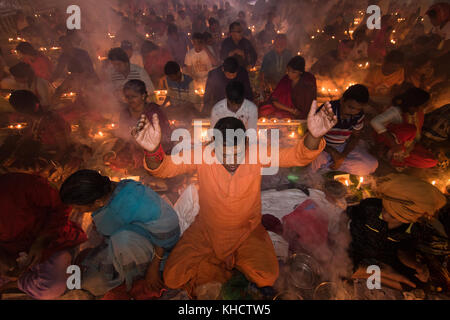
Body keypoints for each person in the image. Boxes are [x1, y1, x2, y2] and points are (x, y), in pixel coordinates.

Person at [132, 99, 338, 298]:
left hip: (246, 231)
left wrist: (313, 135)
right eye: (224, 154)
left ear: (247, 143)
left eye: (237, 153)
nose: (231, 161)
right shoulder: (202, 153)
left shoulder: (257, 152)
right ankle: (226, 264)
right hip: (206, 230)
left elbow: (297, 155)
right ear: (213, 144)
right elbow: (163, 168)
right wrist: (152, 150)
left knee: (267, 276)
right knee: (172, 277)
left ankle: (221, 263)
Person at [59, 170, 180, 297]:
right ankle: (125, 273)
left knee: (121, 241)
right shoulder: (109, 193)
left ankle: (135, 277)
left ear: (98, 202)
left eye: (78, 208)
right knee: (88, 283)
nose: (77, 211)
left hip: (156, 251)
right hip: (126, 245)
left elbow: (167, 232)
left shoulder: (136, 201)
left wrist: (154, 268)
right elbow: (110, 225)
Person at [348, 174, 446, 291]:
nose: (385, 215)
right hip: (359, 251)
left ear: (408, 219)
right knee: (341, 268)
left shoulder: (414, 228)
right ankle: (383, 274)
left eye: (393, 216)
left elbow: (403, 251)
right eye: (384, 209)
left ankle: (374, 274)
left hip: (386, 258)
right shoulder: (370, 207)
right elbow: (351, 236)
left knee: (418, 284)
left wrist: (417, 266)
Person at [0, 172, 87, 300]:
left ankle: (12, 285)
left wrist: (42, 241)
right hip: (10, 254)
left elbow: (61, 205)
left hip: (50, 244)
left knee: (51, 287)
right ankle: (20, 281)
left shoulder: (19, 184)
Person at [310, 84, 378, 176]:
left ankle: (328, 168)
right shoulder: (328, 110)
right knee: (310, 163)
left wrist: (342, 156)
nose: (353, 112)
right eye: (350, 107)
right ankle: (328, 168)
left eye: (358, 109)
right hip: (322, 147)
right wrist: (333, 152)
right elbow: (312, 136)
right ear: (342, 100)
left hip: (341, 147)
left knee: (371, 164)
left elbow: (355, 137)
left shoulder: (359, 115)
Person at [370, 87, 438, 169]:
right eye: (420, 106)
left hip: (405, 145)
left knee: (431, 161)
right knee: (411, 130)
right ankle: (391, 154)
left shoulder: (418, 113)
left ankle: (396, 158)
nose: (420, 109)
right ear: (412, 106)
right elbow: (374, 122)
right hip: (388, 140)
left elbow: (413, 139)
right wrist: (394, 144)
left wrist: (408, 150)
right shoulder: (395, 111)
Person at [259, 56, 317, 120]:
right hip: (285, 109)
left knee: (279, 116)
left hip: (299, 113)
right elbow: (274, 101)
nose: (289, 73)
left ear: (300, 72)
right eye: (288, 70)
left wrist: (297, 113)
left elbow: (308, 107)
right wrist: (291, 110)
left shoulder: (307, 83)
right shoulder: (286, 79)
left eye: (293, 72)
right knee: (263, 110)